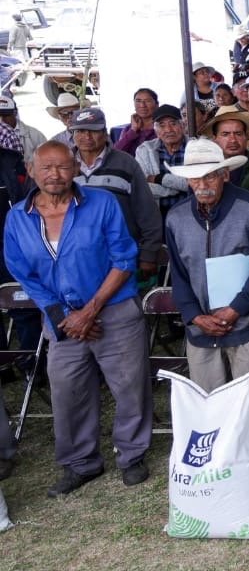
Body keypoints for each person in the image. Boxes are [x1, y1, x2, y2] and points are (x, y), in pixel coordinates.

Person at [3, 141, 152, 495]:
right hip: (61, 318)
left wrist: (90, 310)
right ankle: (81, 463)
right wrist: (65, 315)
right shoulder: (17, 217)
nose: (55, 175)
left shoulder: (101, 203)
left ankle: (131, 456)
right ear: (32, 168)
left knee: (129, 386)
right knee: (67, 389)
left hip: (112, 309)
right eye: (46, 168)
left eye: (63, 167)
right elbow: (21, 270)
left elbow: (123, 259)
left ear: (75, 169)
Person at [164, 139, 249, 450]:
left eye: (210, 176)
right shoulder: (175, 218)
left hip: (247, 323)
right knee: (209, 401)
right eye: (195, 178)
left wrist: (236, 308)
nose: (202, 185)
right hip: (200, 328)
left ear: (225, 175)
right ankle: (225, 466)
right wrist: (194, 316)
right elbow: (178, 273)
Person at [66, 107, 164, 273]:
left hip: (120, 257)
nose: (87, 137)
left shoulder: (126, 163)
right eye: (80, 131)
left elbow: (147, 211)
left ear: (105, 133)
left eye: (93, 131)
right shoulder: (63, 165)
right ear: (72, 134)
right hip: (75, 258)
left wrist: (148, 254)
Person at [134, 103, 192, 214]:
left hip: (191, 213)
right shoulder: (144, 150)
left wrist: (159, 179)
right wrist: (178, 187)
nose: (168, 129)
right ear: (155, 130)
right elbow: (142, 188)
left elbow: (199, 184)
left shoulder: (196, 147)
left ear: (183, 126)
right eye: (162, 125)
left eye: (173, 124)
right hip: (156, 215)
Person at [112, 88, 160, 154]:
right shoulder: (129, 129)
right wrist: (133, 130)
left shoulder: (161, 127)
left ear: (157, 104)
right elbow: (115, 153)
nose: (142, 105)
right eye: (138, 101)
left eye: (147, 101)